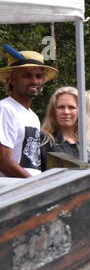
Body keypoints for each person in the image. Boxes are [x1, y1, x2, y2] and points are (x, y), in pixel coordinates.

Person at [0, 49, 55, 178]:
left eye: (39, 76)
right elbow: (3, 161)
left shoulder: (33, 116)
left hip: (27, 192)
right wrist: (33, 183)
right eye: (26, 75)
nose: (34, 81)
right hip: (9, 193)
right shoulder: (5, 109)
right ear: (12, 80)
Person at [40, 85, 90, 167]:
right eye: (61, 107)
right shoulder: (43, 141)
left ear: (80, 111)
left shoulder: (89, 143)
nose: (66, 112)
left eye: (71, 107)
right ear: (53, 111)